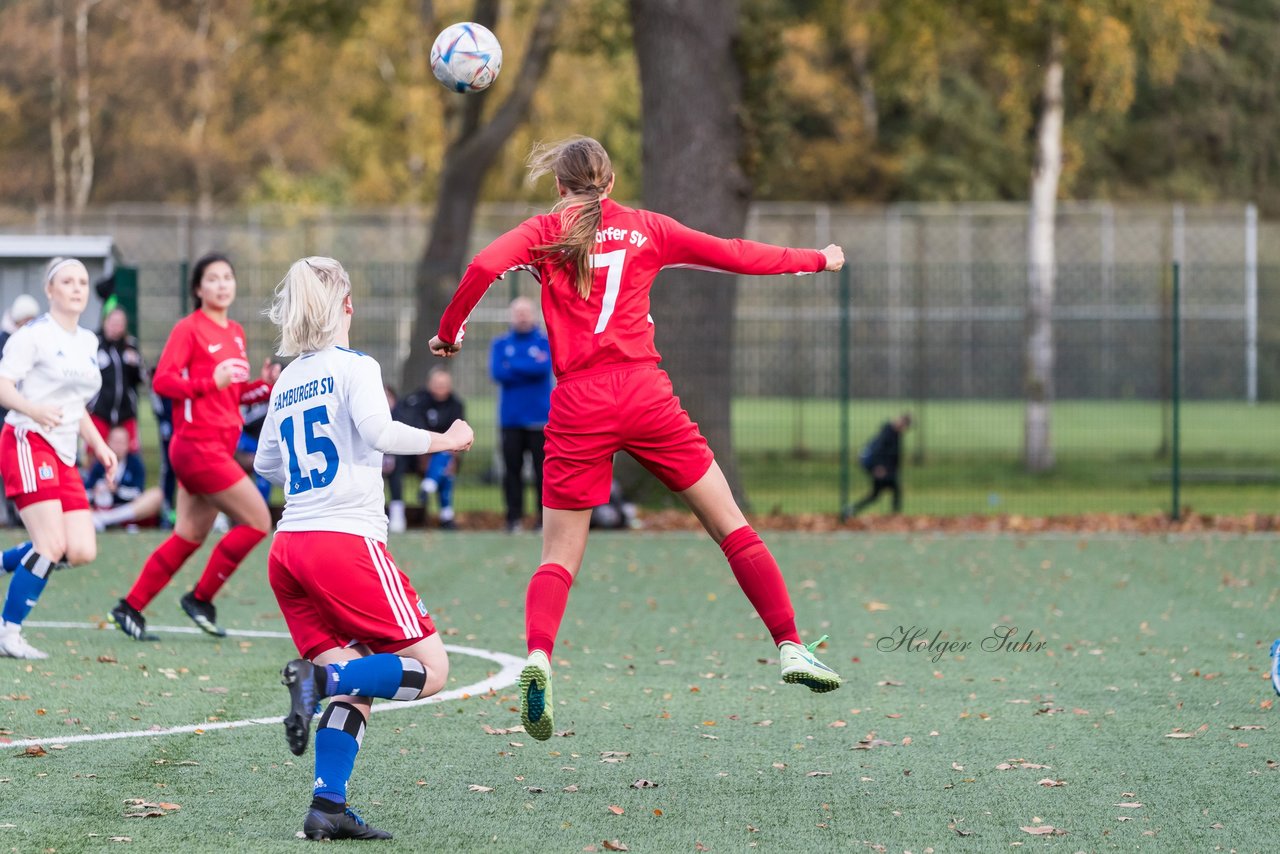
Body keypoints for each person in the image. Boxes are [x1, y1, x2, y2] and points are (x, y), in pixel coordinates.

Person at [429, 136, 846, 740]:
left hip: (578, 402)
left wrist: (449, 331)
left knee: (558, 556)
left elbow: (483, 266)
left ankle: (540, 658)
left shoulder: (544, 230)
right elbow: (733, 253)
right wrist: (816, 259)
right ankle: (790, 646)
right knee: (731, 525)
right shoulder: (647, 227)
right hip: (645, 394)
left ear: (559, 185)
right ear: (611, 181)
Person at [255, 256, 474, 840]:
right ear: (347, 305)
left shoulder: (287, 377)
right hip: (342, 543)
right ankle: (314, 683)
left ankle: (327, 805)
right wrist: (445, 438)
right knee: (431, 670)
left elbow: (265, 462)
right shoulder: (355, 366)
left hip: (288, 551)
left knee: (361, 679)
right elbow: (380, 433)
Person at [110, 253, 274, 641]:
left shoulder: (235, 330)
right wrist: (207, 384)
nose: (222, 284)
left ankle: (130, 606)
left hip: (216, 446)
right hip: (197, 448)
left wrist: (264, 386)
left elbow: (230, 394)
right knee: (258, 522)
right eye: (213, 278)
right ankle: (201, 598)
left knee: (188, 535)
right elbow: (163, 381)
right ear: (198, 288)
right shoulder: (189, 329)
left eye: (227, 277)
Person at [0, 258, 117, 659]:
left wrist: (99, 445)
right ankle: (8, 632)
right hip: (27, 440)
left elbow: (75, 405)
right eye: (67, 281)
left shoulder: (87, 340)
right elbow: (3, 385)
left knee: (81, 549)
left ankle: (5, 562)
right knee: (49, 544)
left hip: (65, 450)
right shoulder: (33, 336)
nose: (77, 288)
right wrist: (33, 410)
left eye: (82, 281)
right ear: (50, 290)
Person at [490, 296, 552, 533]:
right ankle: (513, 518)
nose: (522, 316)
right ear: (511, 316)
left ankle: (543, 520)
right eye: (518, 313)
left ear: (534, 315)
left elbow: (543, 368)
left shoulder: (545, 342)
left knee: (542, 472)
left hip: (539, 419)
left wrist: (513, 365)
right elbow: (498, 372)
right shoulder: (500, 344)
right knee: (512, 471)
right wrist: (527, 366)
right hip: (511, 420)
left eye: (526, 312)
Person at [387, 368, 464, 530]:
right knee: (397, 461)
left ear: (450, 386)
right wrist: (424, 455)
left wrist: (453, 455)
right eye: (437, 384)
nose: (440, 388)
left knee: (446, 461)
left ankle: (430, 486)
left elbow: (458, 436)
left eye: (444, 384)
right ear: (429, 384)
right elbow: (413, 431)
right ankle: (443, 515)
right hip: (416, 454)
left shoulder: (456, 405)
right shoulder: (418, 400)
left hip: (441, 453)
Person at [89, 306, 147, 454]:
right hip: (100, 412)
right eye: (113, 322)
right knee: (94, 453)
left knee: (131, 454)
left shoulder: (130, 345)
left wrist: (135, 363)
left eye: (120, 323)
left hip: (125, 412)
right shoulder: (94, 344)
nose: (116, 327)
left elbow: (142, 378)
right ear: (105, 322)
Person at [84, 424, 163, 531]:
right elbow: (87, 491)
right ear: (108, 443)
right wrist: (96, 490)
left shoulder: (135, 463)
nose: (118, 446)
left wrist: (117, 490)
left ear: (128, 444)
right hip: (102, 507)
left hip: (126, 510)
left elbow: (137, 492)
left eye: (122, 442)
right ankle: (103, 520)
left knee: (157, 495)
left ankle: (107, 520)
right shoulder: (99, 463)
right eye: (115, 442)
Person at [850, 414, 911, 515]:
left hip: (884, 469)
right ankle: (895, 515)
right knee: (892, 490)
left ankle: (852, 509)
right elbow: (878, 450)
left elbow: (893, 457)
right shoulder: (888, 433)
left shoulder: (894, 434)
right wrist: (877, 467)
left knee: (877, 494)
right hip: (878, 468)